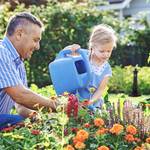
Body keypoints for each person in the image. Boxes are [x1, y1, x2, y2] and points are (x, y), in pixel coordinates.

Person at [0, 12, 58, 124]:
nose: (37, 47)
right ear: (19, 34)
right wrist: (58, 106)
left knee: (30, 123)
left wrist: (39, 118)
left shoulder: (18, 62)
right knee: (19, 123)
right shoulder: (1, 52)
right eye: (35, 40)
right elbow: (20, 96)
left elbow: (21, 106)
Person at [63, 24, 117, 111]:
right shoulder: (83, 56)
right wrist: (72, 48)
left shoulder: (106, 69)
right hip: (76, 100)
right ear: (93, 47)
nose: (106, 54)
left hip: (94, 104)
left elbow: (100, 90)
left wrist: (91, 101)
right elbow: (66, 55)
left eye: (109, 51)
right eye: (102, 51)